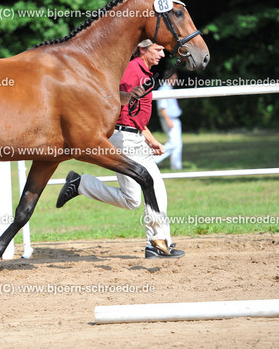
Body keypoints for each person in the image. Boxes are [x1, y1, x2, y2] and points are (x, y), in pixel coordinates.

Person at [56, 39, 184, 259]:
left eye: (163, 50)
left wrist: (149, 139)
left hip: (134, 138)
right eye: (158, 49)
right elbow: (114, 101)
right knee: (141, 195)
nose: (162, 54)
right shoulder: (131, 69)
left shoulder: (144, 71)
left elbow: (134, 113)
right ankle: (156, 242)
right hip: (124, 139)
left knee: (145, 195)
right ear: (142, 49)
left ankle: (158, 242)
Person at [155, 71, 183, 170]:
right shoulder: (163, 90)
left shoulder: (169, 89)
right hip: (170, 119)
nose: (176, 81)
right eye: (174, 78)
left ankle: (176, 167)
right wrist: (168, 120)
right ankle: (154, 159)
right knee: (173, 143)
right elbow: (162, 107)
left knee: (177, 144)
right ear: (168, 78)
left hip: (174, 118)